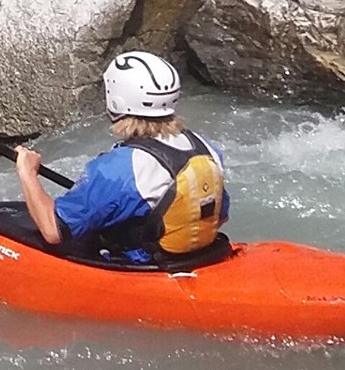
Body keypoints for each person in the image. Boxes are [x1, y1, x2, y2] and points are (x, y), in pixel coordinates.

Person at [13, 50, 229, 264]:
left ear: (116, 100)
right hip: (199, 256)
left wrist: (28, 172)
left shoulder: (116, 169)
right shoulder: (206, 148)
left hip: (145, 265)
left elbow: (53, 231)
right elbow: (221, 216)